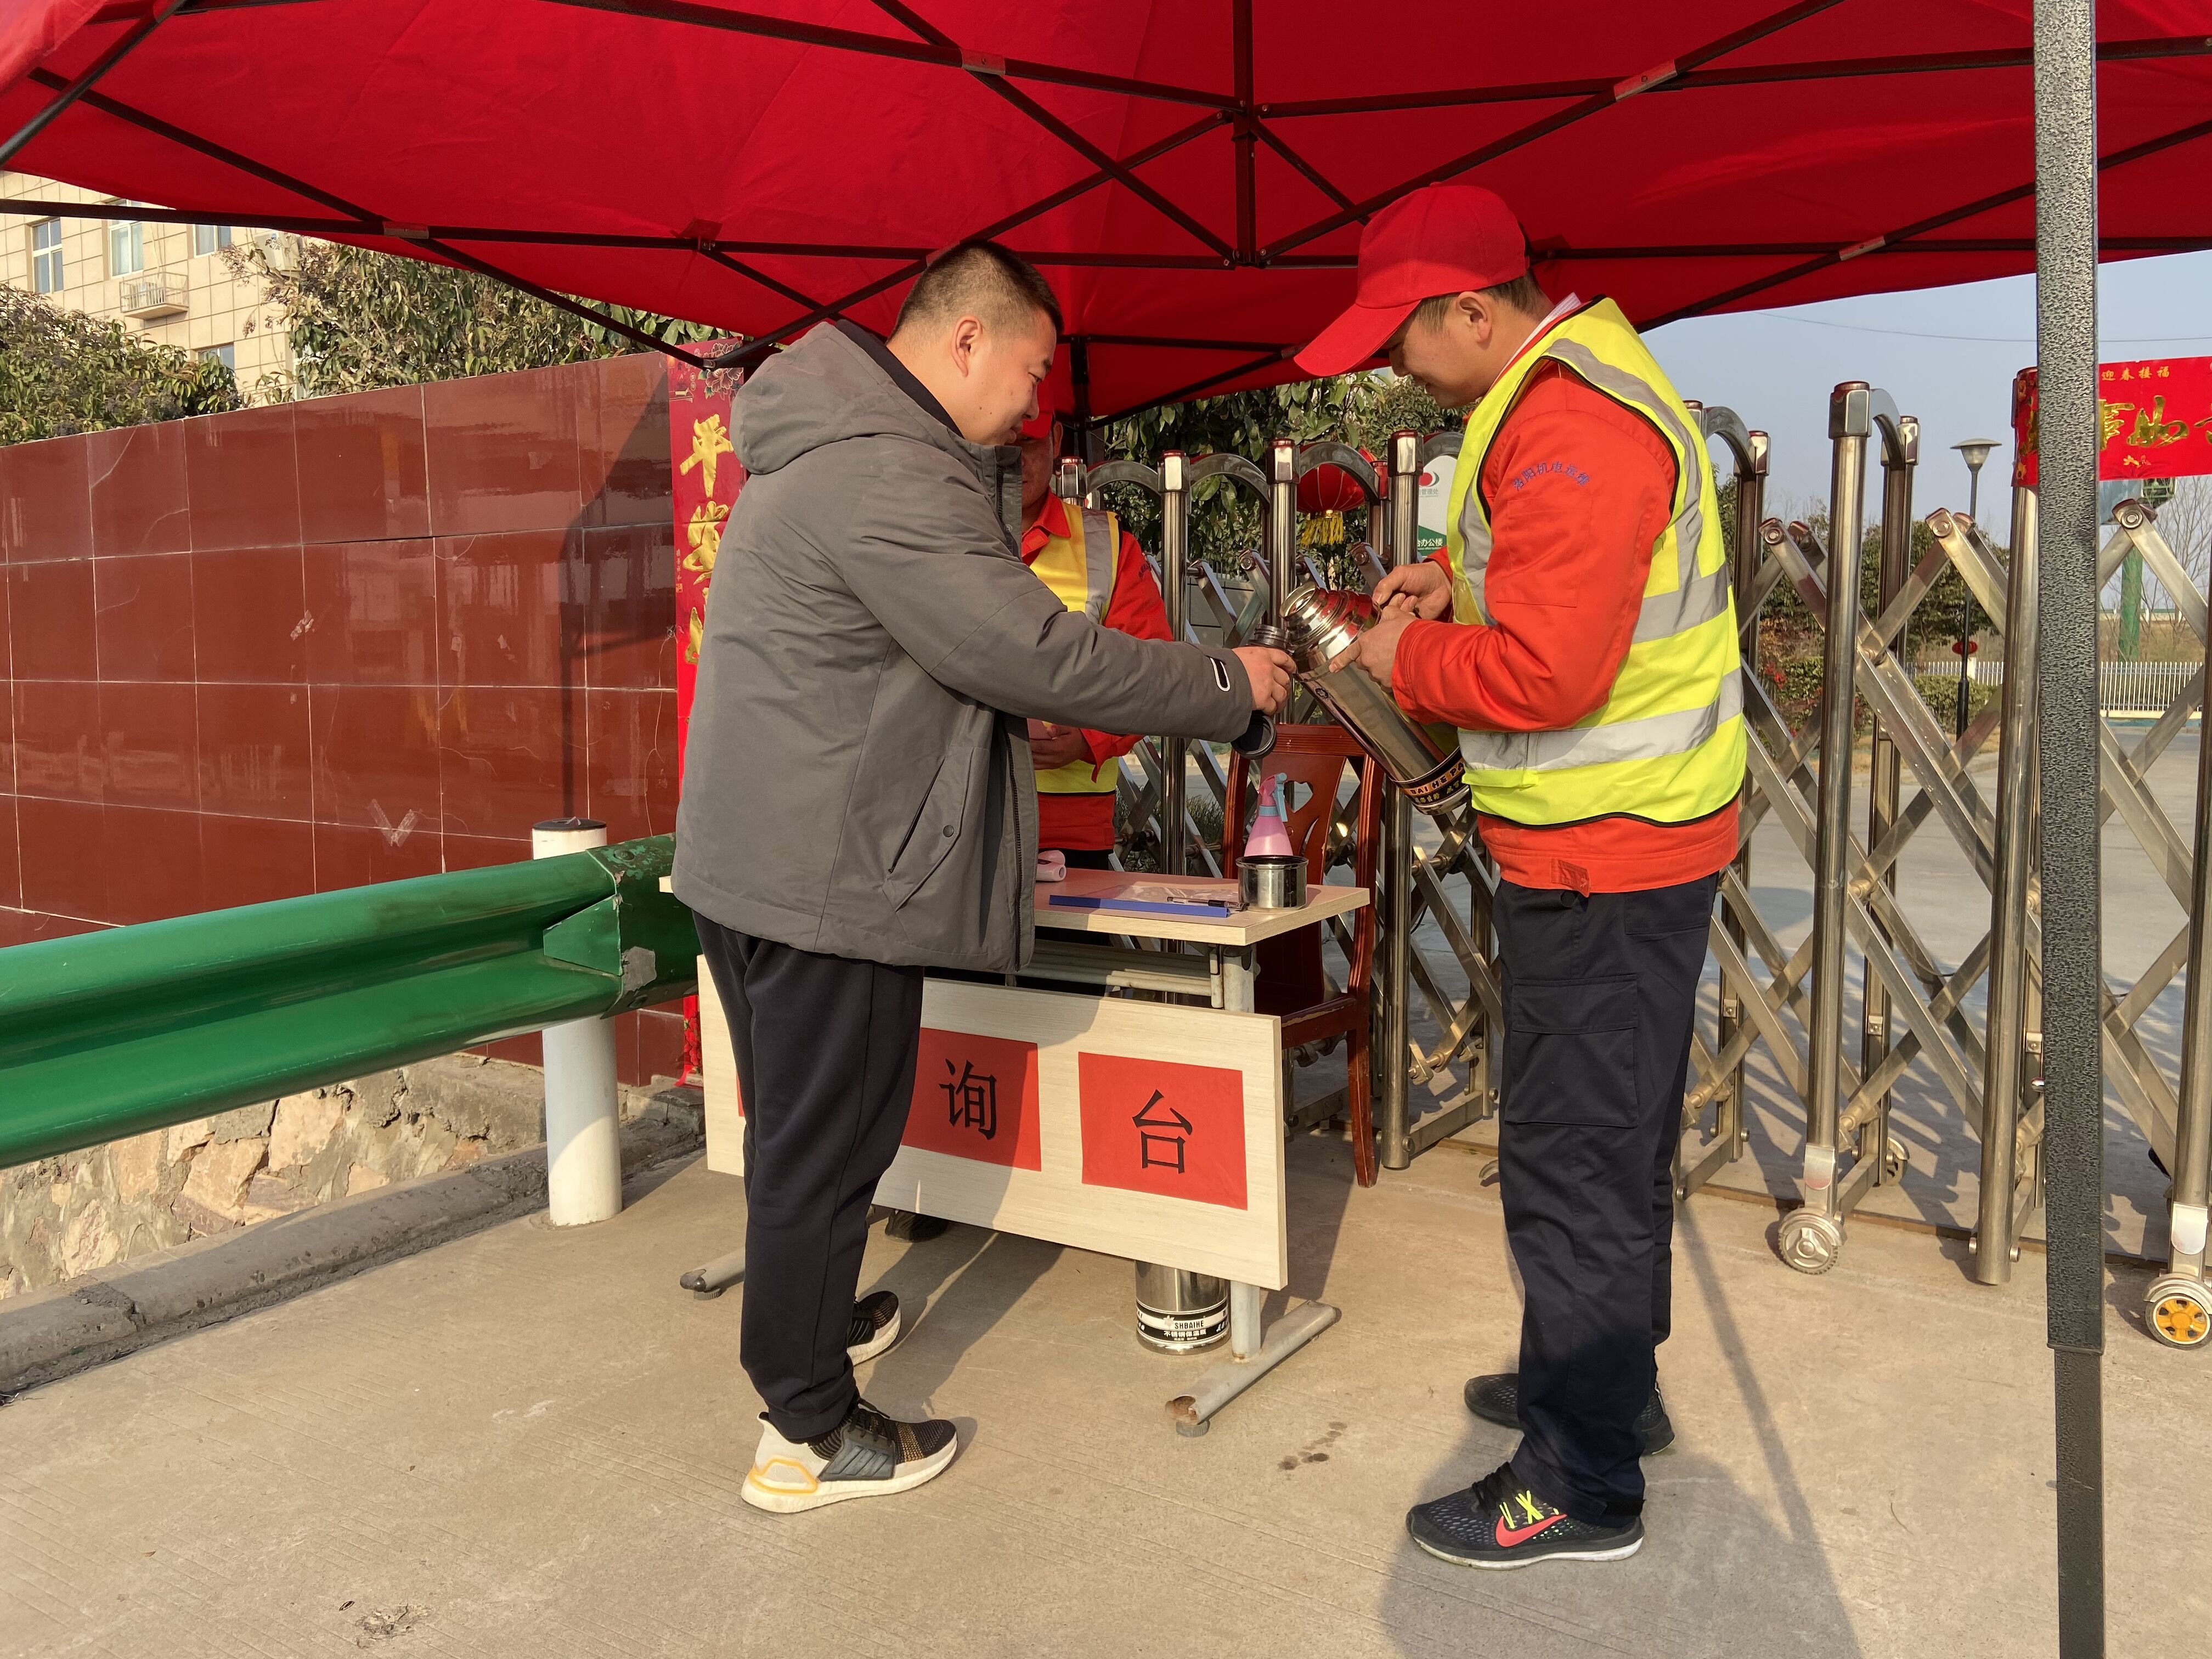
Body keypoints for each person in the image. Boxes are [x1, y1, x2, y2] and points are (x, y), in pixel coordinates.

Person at [674, 239, 1295, 1515]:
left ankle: (811, 1327)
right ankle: (805, 1429)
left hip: (765, 860)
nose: (1033, 402)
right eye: (1031, 369)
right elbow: (1037, 656)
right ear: (967, 339)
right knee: (824, 1147)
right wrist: (1226, 685)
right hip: (831, 880)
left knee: (801, 1136)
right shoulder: (888, 470)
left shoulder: (831, 447)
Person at [1299, 183, 1743, 1569]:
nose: (1394, 368)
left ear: (1475, 312)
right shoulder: (1565, 389)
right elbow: (1554, 578)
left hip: (1607, 855)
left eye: (1401, 340)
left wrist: (1406, 657)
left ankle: (1579, 1481)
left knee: (1573, 1169)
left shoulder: (1568, 424)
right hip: (1627, 841)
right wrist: (1452, 582)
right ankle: (1611, 1391)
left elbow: (1550, 674)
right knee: (1614, 1147)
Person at [1014, 393, 1175, 871]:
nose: (1014, 459)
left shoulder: (1107, 546)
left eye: (1029, 442)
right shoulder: (937, 535)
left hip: (1071, 835)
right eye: (1000, 441)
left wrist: (1089, 738)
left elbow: (1151, 672)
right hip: (950, 819)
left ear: (1055, 439)